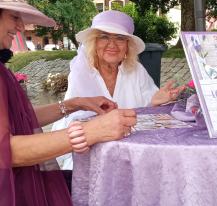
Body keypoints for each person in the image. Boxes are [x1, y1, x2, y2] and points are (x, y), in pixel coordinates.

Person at [0, 0, 136, 206]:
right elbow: (6, 151)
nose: (20, 26)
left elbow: (21, 119)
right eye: (14, 16)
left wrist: (75, 104)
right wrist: (92, 131)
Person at [52, 10, 185, 169]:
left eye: (120, 38)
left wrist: (154, 100)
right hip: (91, 150)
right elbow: (75, 121)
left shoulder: (136, 70)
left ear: (127, 46)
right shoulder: (81, 73)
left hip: (133, 151)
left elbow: (147, 108)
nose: (112, 45)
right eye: (104, 37)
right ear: (94, 42)